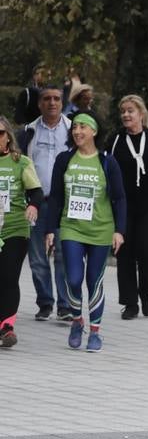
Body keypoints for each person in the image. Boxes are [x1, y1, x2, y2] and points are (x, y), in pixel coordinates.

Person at [43, 112, 126, 352]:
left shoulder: (107, 161)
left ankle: (96, 332)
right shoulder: (65, 159)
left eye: (83, 127)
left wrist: (119, 231)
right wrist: (50, 229)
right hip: (72, 228)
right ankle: (78, 321)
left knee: (94, 281)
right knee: (74, 278)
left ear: (94, 131)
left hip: (101, 229)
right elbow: (56, 196)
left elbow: (120, 198)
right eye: (75, 127)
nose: (77, 131)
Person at [107, 95, 148, 319]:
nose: (126, 115)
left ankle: (146, 294)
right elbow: (105, 171)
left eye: (131, 111)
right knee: (124, 253)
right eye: (123, 111)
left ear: (141, 114)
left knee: (147, 251)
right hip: (123, 206)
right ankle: (130, 302)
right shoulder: (115, 140)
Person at [18, 85, 73, 321]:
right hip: (35, 203)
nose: (52, 103)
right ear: (39, 104)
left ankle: (64, 305)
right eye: (47, 99)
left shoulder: (74, 130)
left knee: (63, 254)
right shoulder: (29, 131)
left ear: (63, 103)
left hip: (63, 203)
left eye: (56, 99)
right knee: (38, 256)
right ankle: (45, 303)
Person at [0, 118, 43, 347]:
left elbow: (36, 192)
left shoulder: (21, 162)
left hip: (15, 227)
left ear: (8, 136)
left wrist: (33, 206)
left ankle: (7, 327)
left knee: (8, 277)